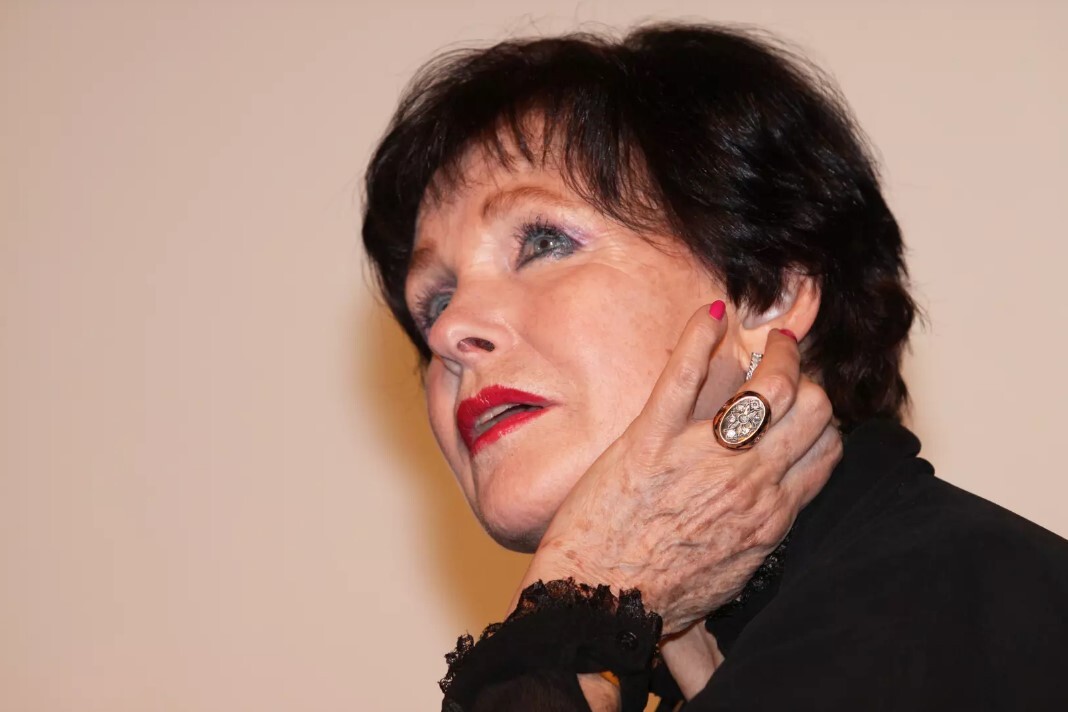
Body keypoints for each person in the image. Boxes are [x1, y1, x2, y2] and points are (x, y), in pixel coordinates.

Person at [361, 23, 1068, 711]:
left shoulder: (941, 610)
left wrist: (582, 594)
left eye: (544, 242)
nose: (448, 330)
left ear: (766, 291)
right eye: (435, 301)